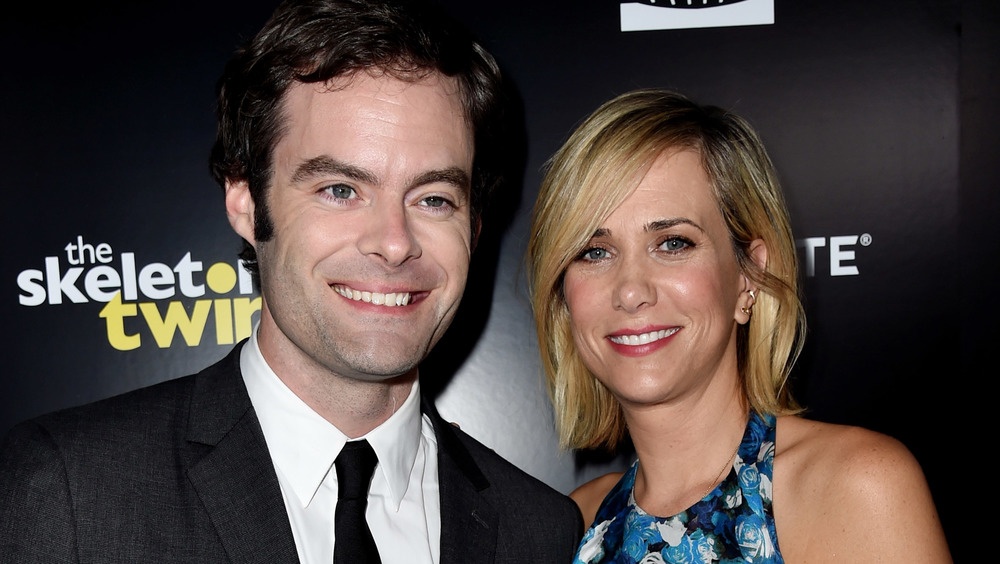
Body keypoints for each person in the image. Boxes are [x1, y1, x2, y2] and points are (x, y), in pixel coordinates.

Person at [0, 0, 582, 562]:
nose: (395, 242)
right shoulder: (69, 490)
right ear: (247, 203)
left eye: (433, 198)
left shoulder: (539, 532)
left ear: (474, 227)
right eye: (340, 190)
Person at [527, 89, 951, 563]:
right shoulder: (573, 525)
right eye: (595, 251)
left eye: (673, 243)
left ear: (748, 275)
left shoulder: (855, 487)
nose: (630, 290)